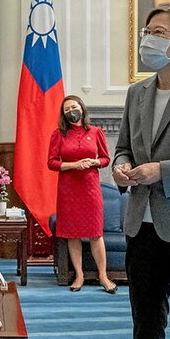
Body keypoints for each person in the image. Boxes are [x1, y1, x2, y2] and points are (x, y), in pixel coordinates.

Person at [113, 4, 170, 339]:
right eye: (147, 33)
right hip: (141, 224)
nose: (149, 40)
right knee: (146, 323)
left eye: (160, 34)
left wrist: (161, 172)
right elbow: (123, 147)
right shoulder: (137, 93)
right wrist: (120, 168)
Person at [47, 95, 116, 293]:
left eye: (74, 107)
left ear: (82, 109)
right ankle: (79, 275)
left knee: (96, 233)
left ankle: (103, 275)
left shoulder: (96, 132)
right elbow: (51, 162)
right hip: (68, 188)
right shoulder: (58, 134)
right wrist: (73, 165)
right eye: (67, 109)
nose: (71, 112)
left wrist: (94, 162)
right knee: (72, 234)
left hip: (90, 187)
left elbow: (105, 158)